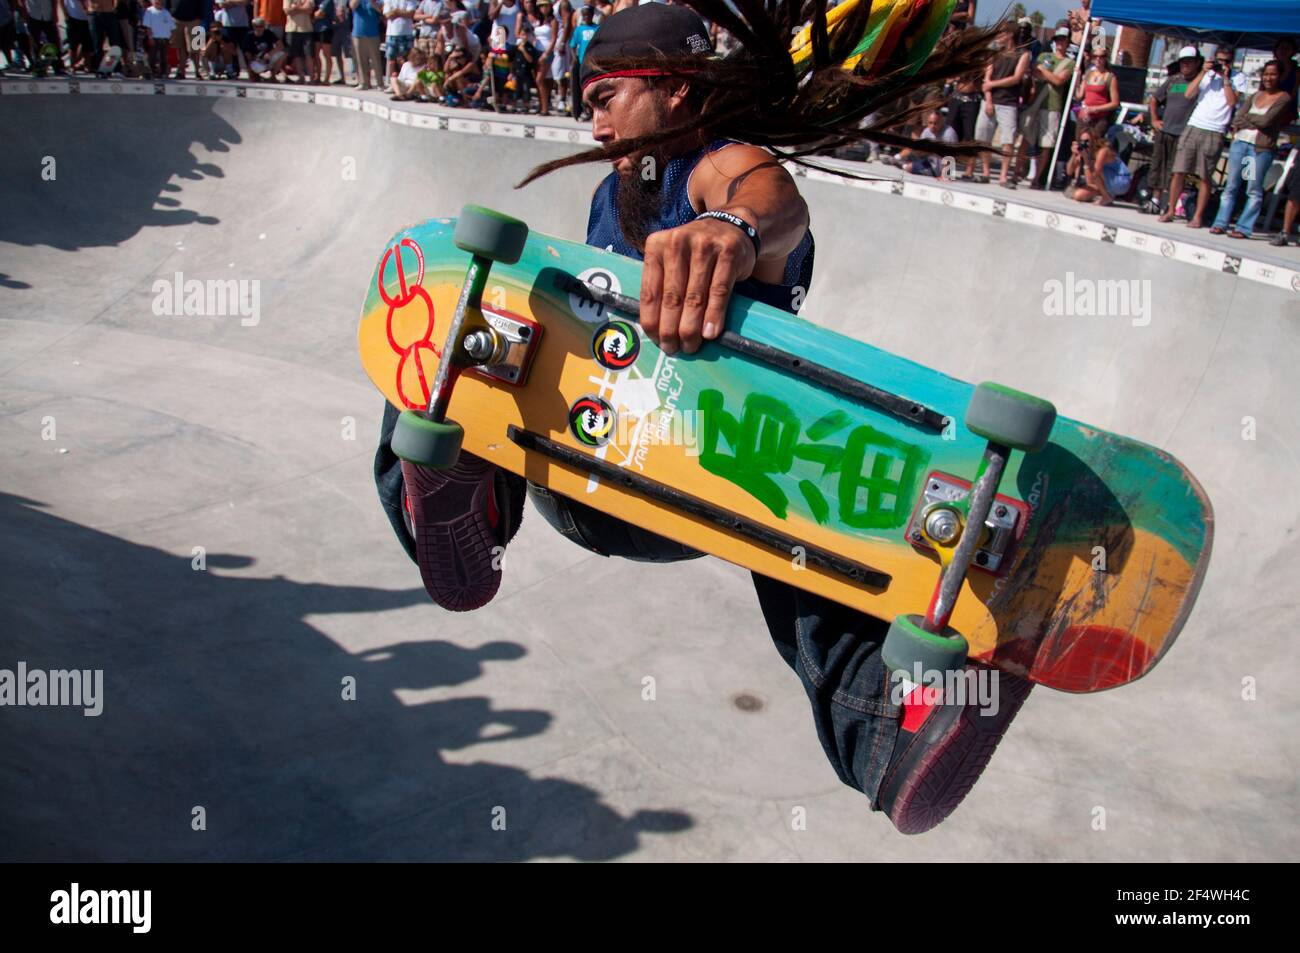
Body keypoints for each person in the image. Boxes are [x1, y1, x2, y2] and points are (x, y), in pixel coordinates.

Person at [374, 2, 1026, 837]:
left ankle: (901, 721)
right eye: (586, 105)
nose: (593, 118)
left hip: (701, 490)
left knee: (803, 477)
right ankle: (466, 508)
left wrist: (732, 228)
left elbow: (773, 197)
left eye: (606, 94)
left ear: (676, 90)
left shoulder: (720, 167)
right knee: (445, 328)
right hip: (576, 465)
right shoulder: (617, 192)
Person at [1160, 47, 1245, 228]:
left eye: (1226, 61)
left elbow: (1232, 102)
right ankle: (1171, 210)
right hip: (1194, 125)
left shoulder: (1238, 78)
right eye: (1219, 60)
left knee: (1205, 175)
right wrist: (1204, 72)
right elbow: (1189, 93)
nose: (1222, 64)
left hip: (1215, 130)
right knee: (1179, 170)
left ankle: (1197, 216)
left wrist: (1226, 79)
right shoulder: (1206, 75)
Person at [1210, 62, 1294, 239]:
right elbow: (1238, 118)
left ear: (1279, 76)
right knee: (1231, 185)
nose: (1268, 78)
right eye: (1266, 74)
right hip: (1240, 143)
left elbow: (1267, 121)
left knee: (1253, 189)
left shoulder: (1283, 97)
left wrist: (1249, 119)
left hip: (1259, 149)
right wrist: (1253, 119)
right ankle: (1220, 223)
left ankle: (1244, 227)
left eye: (1273, 74)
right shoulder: (1256, 95)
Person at [1145, 47, 1201, 216]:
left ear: (1197, 63)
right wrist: (1154, 119)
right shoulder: (1173, 80)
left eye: (1189, 61)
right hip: (1166, 129)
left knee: (1175, 170)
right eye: (1183, 61)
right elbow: (1154, 99)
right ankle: (1155, 199)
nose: (1185, 65)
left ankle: (1171, 203)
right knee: (1158, 165)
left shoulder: (1200, 83)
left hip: (1184, 133)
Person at [974, 20, 1028, 188]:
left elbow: (1016, 78)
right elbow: (986, 79)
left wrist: (993, 85)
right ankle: (985, 172)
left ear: (1010, 34)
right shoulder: (993, 54)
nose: (998, 36)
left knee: (1008, 140)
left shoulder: (1023, 54)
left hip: (1008, 102)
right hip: (989, 101)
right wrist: (988, 98)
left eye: (1001, 33)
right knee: (983, 138)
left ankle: (1003, 176)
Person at [1017, 26, 1073, 188]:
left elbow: (1058, 81)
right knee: (1026, 139)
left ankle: (1037, 179)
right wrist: (1046, 73)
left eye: (1063, 40)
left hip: (1052, 106)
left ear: (1068, 42)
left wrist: (1044, 72)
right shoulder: (1043, 55)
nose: (1060, 43)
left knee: (1046, 144)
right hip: (1035, 103)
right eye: (1058, 40)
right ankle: (1016, 172)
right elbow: (1035, 73)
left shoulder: (1069, 62)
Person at [1064, 117, 1130, 204]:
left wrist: (1086, 160)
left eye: (1087, 141)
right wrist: (1074, 154)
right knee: (1078, 195)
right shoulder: (1084, 151)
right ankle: (1103, 194)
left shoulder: (1103, 151)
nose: (1085, 144)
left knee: (1095, 170)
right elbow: (1069, 171)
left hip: (1120, 180)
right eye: (1082, 141)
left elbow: (1095, 174)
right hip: (1103, 183)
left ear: (1093, 140)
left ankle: (1106, 197)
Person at [893, 109, 957, 176]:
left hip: (938, 167)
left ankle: (904, 165)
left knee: (909, 167)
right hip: (928, 159)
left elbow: (950, 158)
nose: (932, 126)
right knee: (913, 146)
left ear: (941, 121)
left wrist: (945, 176)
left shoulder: (949, 134)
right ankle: (896, 158)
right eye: (930, 123)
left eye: (935, 123)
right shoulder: (927, 131)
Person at [1075, 46, 1119, 131]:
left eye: (1101, 56)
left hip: (1099, 118)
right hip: (1085, 116)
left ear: (1106, 58)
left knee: (1095, 142)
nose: (1098, 59)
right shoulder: (1088, 74)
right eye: (1095, 56)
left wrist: (1095, 109)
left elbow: (1115, 103)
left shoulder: (1110, 77)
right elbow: (1079, 96)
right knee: (1080, 142)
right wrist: (1077, 80)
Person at [567, 0, 596, 120]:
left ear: (592, 15)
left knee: (590, 87)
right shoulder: (579, 29)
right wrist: (575, 58)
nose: (586, 17)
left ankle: (590, 110)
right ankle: (578, 111)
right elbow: (573, 45)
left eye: (588, 14)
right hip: (581, 62)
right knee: (578, 87)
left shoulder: (597, 28)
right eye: (583, 15)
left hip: (593, 63)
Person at [241, 14, 285, 79]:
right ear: (253, 27)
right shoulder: (249, 36)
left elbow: (280, 45)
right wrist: (252, 61)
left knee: (282, 54)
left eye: (261, 26)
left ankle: (273, 76)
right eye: (256, 26)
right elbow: (247, 52)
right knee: (255, 67)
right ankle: (255, 75)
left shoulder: (268, 33)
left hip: (268, 58)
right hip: (256, 60)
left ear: (264, 26)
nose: (259, 28)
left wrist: (269, 54)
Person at [349, 0, 381, 88]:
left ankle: (379, 83)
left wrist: (373, 3)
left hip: (373, 33)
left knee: (376, 60)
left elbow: (381, 10)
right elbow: (352, 6)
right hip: (358, 33)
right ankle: (363, 83)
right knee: (360, 60)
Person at [381, 0, 415, 80]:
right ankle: (391, 82)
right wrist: (402, 12)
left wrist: (396, 11)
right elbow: (387, 15)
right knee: (391, 59)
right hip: (391, 33)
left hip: (406, 33)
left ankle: (404, 80)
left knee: (405, 59)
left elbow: (411, 14)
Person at [169, 0, 204, 78]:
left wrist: (200, 17)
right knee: (179, 47)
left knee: (195, 47)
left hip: (194, 19)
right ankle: (181, 72)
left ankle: (198, 72)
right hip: (176, 19)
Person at [140, 0, 173, 76]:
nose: (159, 4)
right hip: (154, 37)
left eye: (160, 2)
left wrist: (170, 37)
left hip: (165, 37)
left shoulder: (166, 13)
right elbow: (148, 26)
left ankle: (163, 72)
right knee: (152, 55)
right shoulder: (149, 11)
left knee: (163, 56)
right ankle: (151, 71)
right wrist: (150, 37)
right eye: (157, 2)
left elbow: (171, 26)